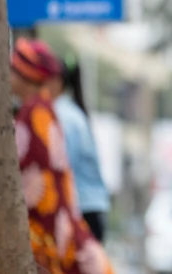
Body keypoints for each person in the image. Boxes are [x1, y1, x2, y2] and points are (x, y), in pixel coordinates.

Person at [11, 37, 114, 274]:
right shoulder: (44, 110)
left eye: (14, 69)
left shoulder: (43, 114)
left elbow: (51, 170)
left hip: (65, 214)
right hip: (66, 214)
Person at [46, 54, 111, 244]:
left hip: (82, 211)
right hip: (88, 209)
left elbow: (63, 168)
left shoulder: (64, 117)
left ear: (57, 82)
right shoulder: (67, 112)